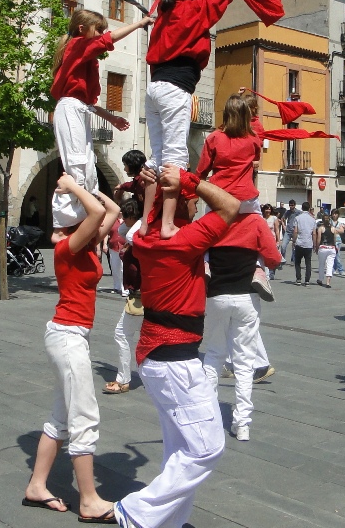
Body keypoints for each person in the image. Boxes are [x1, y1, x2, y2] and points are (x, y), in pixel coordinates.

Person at [113, 165, 240, 528]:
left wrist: (162, 189)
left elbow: (153, 211)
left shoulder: (147, 237)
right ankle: (135, 511)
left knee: (179, 450)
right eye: (191, 203)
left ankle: (169, 522)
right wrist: (190, 181)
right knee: (206, 448)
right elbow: (231, 206)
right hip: (175, 360)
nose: (197, 208)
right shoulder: (183, 240)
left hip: (157, 357)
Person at [24, 173, 120, 521]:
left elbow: (110, 210)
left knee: (62, 416)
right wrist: (72, 188)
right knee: (83, 415)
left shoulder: (86, 244)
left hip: (71, 334)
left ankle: (37, 485)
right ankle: (89, 500)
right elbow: (97, 214)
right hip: (67, 335)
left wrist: (85, 185)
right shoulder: (68, 247)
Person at [141, 0, 234, 239]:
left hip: (154, 87)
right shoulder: (196, 7)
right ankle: (167, 223)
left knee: (157, 158)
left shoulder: (166, 9)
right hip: (174, 89)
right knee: (175, 159)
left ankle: (147, 222)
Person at [51, 9, 152, 228]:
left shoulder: (83, 56)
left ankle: (83, 213)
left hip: (78, 110)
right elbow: (109, 40)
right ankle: (67, 221)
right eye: (98, 29)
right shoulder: (77, 45)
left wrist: (111, 118)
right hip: (70, 109)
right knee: (77, 163)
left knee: (87, 165)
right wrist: (139, 23)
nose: (101, 34)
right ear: (82, 29)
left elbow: (86, 103)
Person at [202, 210, 282, 441]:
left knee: (214, 355)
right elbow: (274, 259)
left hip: (216, 295)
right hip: (247, 296)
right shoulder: (255, 221)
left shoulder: (212, 219)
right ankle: (242, 424)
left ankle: (208, 418)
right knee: (244, 362)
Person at [196, 93, 271, 301]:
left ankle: (206, 263)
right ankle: (259, 269)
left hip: (219, 196)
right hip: (246, 197)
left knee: (206, 229)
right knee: (259, 228)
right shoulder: (253, 140)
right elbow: (255, 158)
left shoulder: (213, 138)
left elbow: (201, 170)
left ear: (226, 114)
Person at [104, 200, 143, 395]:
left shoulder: (138, 237)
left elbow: (126, 235)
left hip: (140, 295)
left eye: (126, 219)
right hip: (138, 294)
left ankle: (124, 379)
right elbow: (121, 233)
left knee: (122, 334)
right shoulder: (134, 235)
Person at [292, 202, 317, 285]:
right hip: (308, 243)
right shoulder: (312, 219)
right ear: (309, 208)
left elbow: (295, 231)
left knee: (298, 262)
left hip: (299, 242)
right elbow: (314, 233)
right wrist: (315, 244)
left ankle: (298, 279)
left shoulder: (297, 218)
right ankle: (307, 280)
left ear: (302, 208)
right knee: (308, 263)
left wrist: (294, 241)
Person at [314, 213, 338, 289]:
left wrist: (317, 247)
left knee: (321, 264)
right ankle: (328, 282)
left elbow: (319, 239)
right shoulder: (333, 228)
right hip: (331, 248)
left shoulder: (321, 228)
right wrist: (335, 247)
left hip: (323, 247)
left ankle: (320, 279)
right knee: (330, 265)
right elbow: (334, 239)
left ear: (322, 220)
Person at [263, 204, 282, 280]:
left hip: (272, 240)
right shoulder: (261, 218)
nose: (268, 211)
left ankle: (272, 273)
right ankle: (266, 274)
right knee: (265, 257)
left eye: (269, 209)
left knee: (272, 257)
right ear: (264, 210)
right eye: (266, 209)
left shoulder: (274, 218)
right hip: (263, 240)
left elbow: (277, 230)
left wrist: (278, 240)